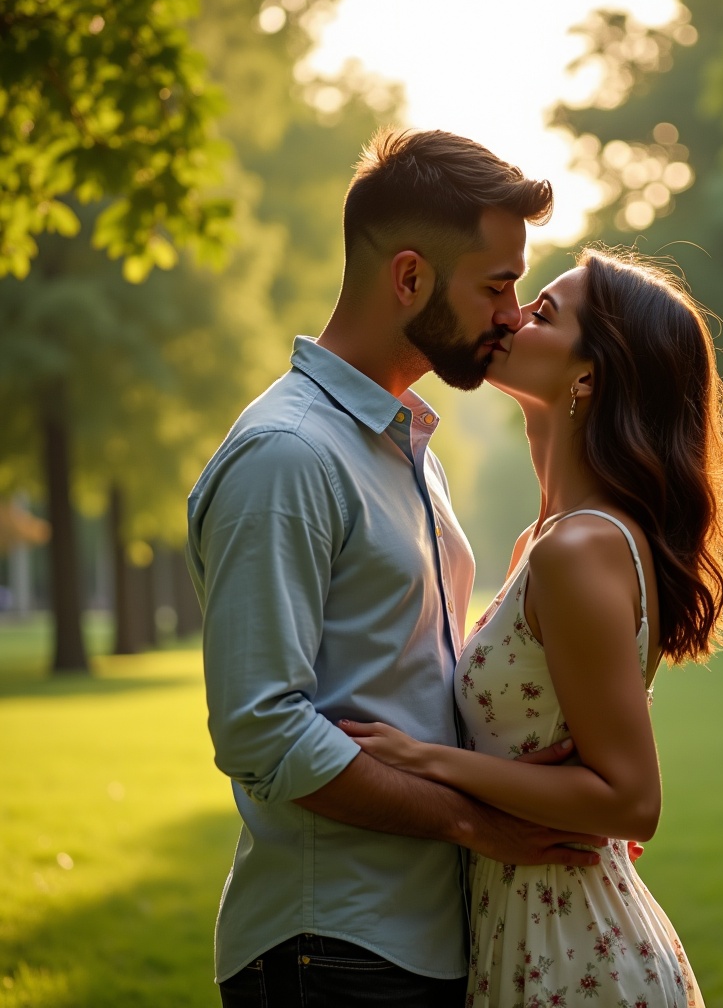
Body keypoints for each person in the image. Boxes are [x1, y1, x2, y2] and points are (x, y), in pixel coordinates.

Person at [186, 128, 608, 1008]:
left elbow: (412, 683)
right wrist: (474, 822)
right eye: (497, 285)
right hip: (330, 947)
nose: (512, 313)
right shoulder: (288, 455)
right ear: (410, 277)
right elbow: (261, 730)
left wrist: (528, 784)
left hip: (414, 937)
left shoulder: (405, 448)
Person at [339, 246, 723, 1007]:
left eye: (545, 313)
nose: (513, 315)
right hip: (527, 937)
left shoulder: (581, 547)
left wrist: (426, 762)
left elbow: (632, 802)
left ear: (587, 376)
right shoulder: (545, 542)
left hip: (577, 953)